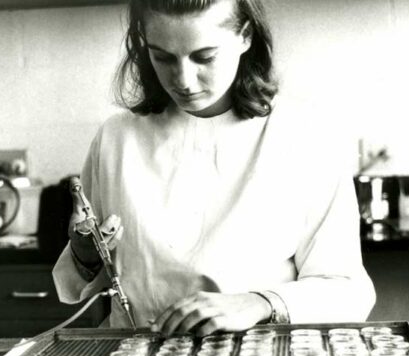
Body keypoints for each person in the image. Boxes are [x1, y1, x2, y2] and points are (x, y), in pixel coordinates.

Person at [53, 0, 375, 337]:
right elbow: (91, 276)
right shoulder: (116, 138)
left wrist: (260, 302)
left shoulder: (304, 134)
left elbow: (345, 286)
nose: (183, 80)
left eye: (204, 57)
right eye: (162, 56)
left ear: (245, 36)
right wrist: (85, 251)